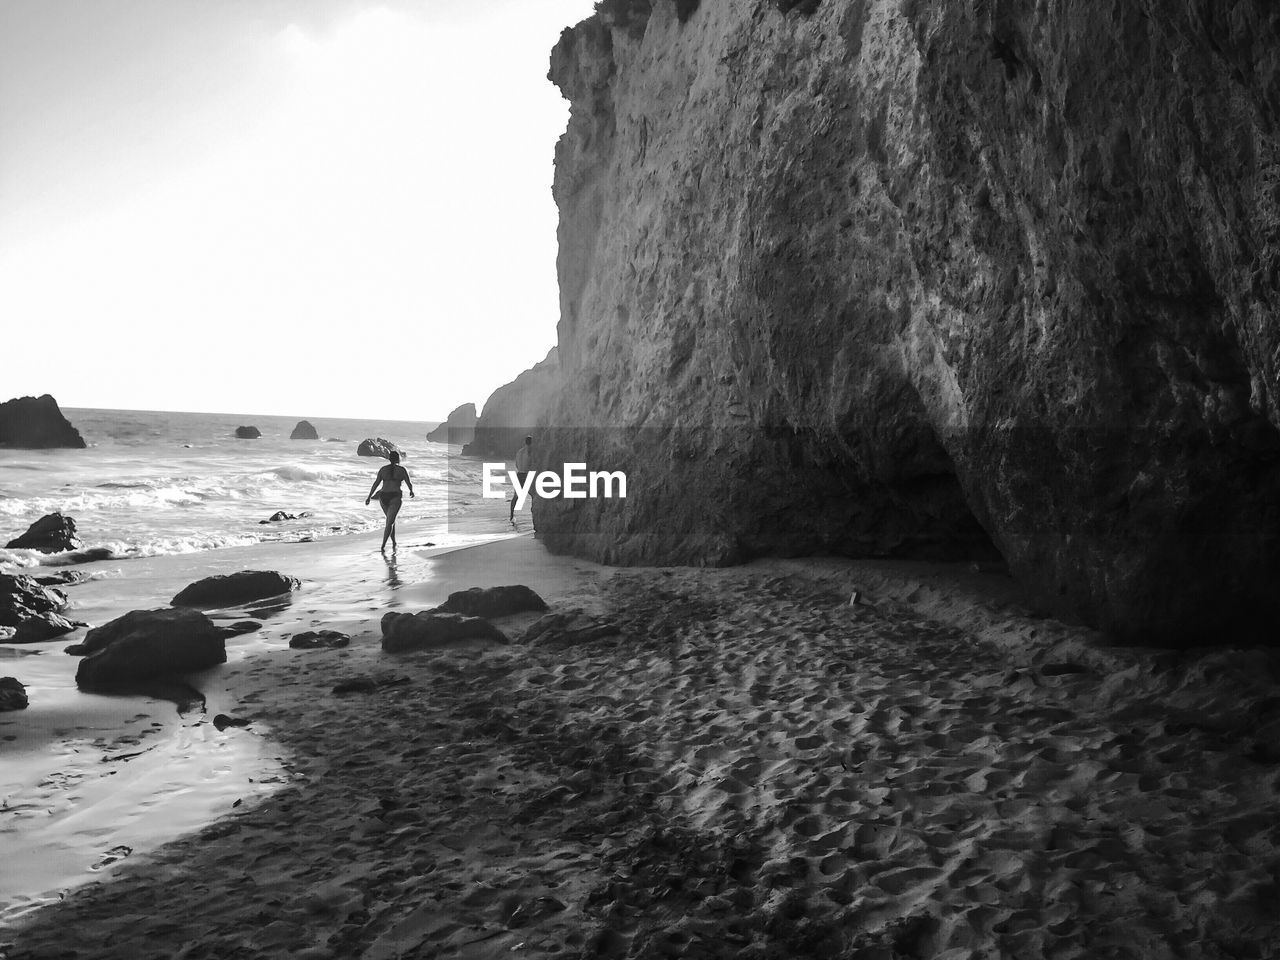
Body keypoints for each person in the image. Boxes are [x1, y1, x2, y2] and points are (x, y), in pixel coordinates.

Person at [365, 451, 414, 552]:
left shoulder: (383, 469)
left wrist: (369, 496)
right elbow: (409, 482)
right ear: (397, 459)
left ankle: (392, 542)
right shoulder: (401, 470)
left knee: (390, 520)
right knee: (390, 522)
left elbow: (376, 484)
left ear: (389, 458)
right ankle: (383, 546)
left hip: (383, 497)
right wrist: (411, 491)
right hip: (395, 497)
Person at [510, 435, 532, 522]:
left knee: (516, 497)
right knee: (536, 494)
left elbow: (516, 465)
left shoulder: (519, 452)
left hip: (519, 474)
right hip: (527, 475)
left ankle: (511, 515)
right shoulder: (530, 451)